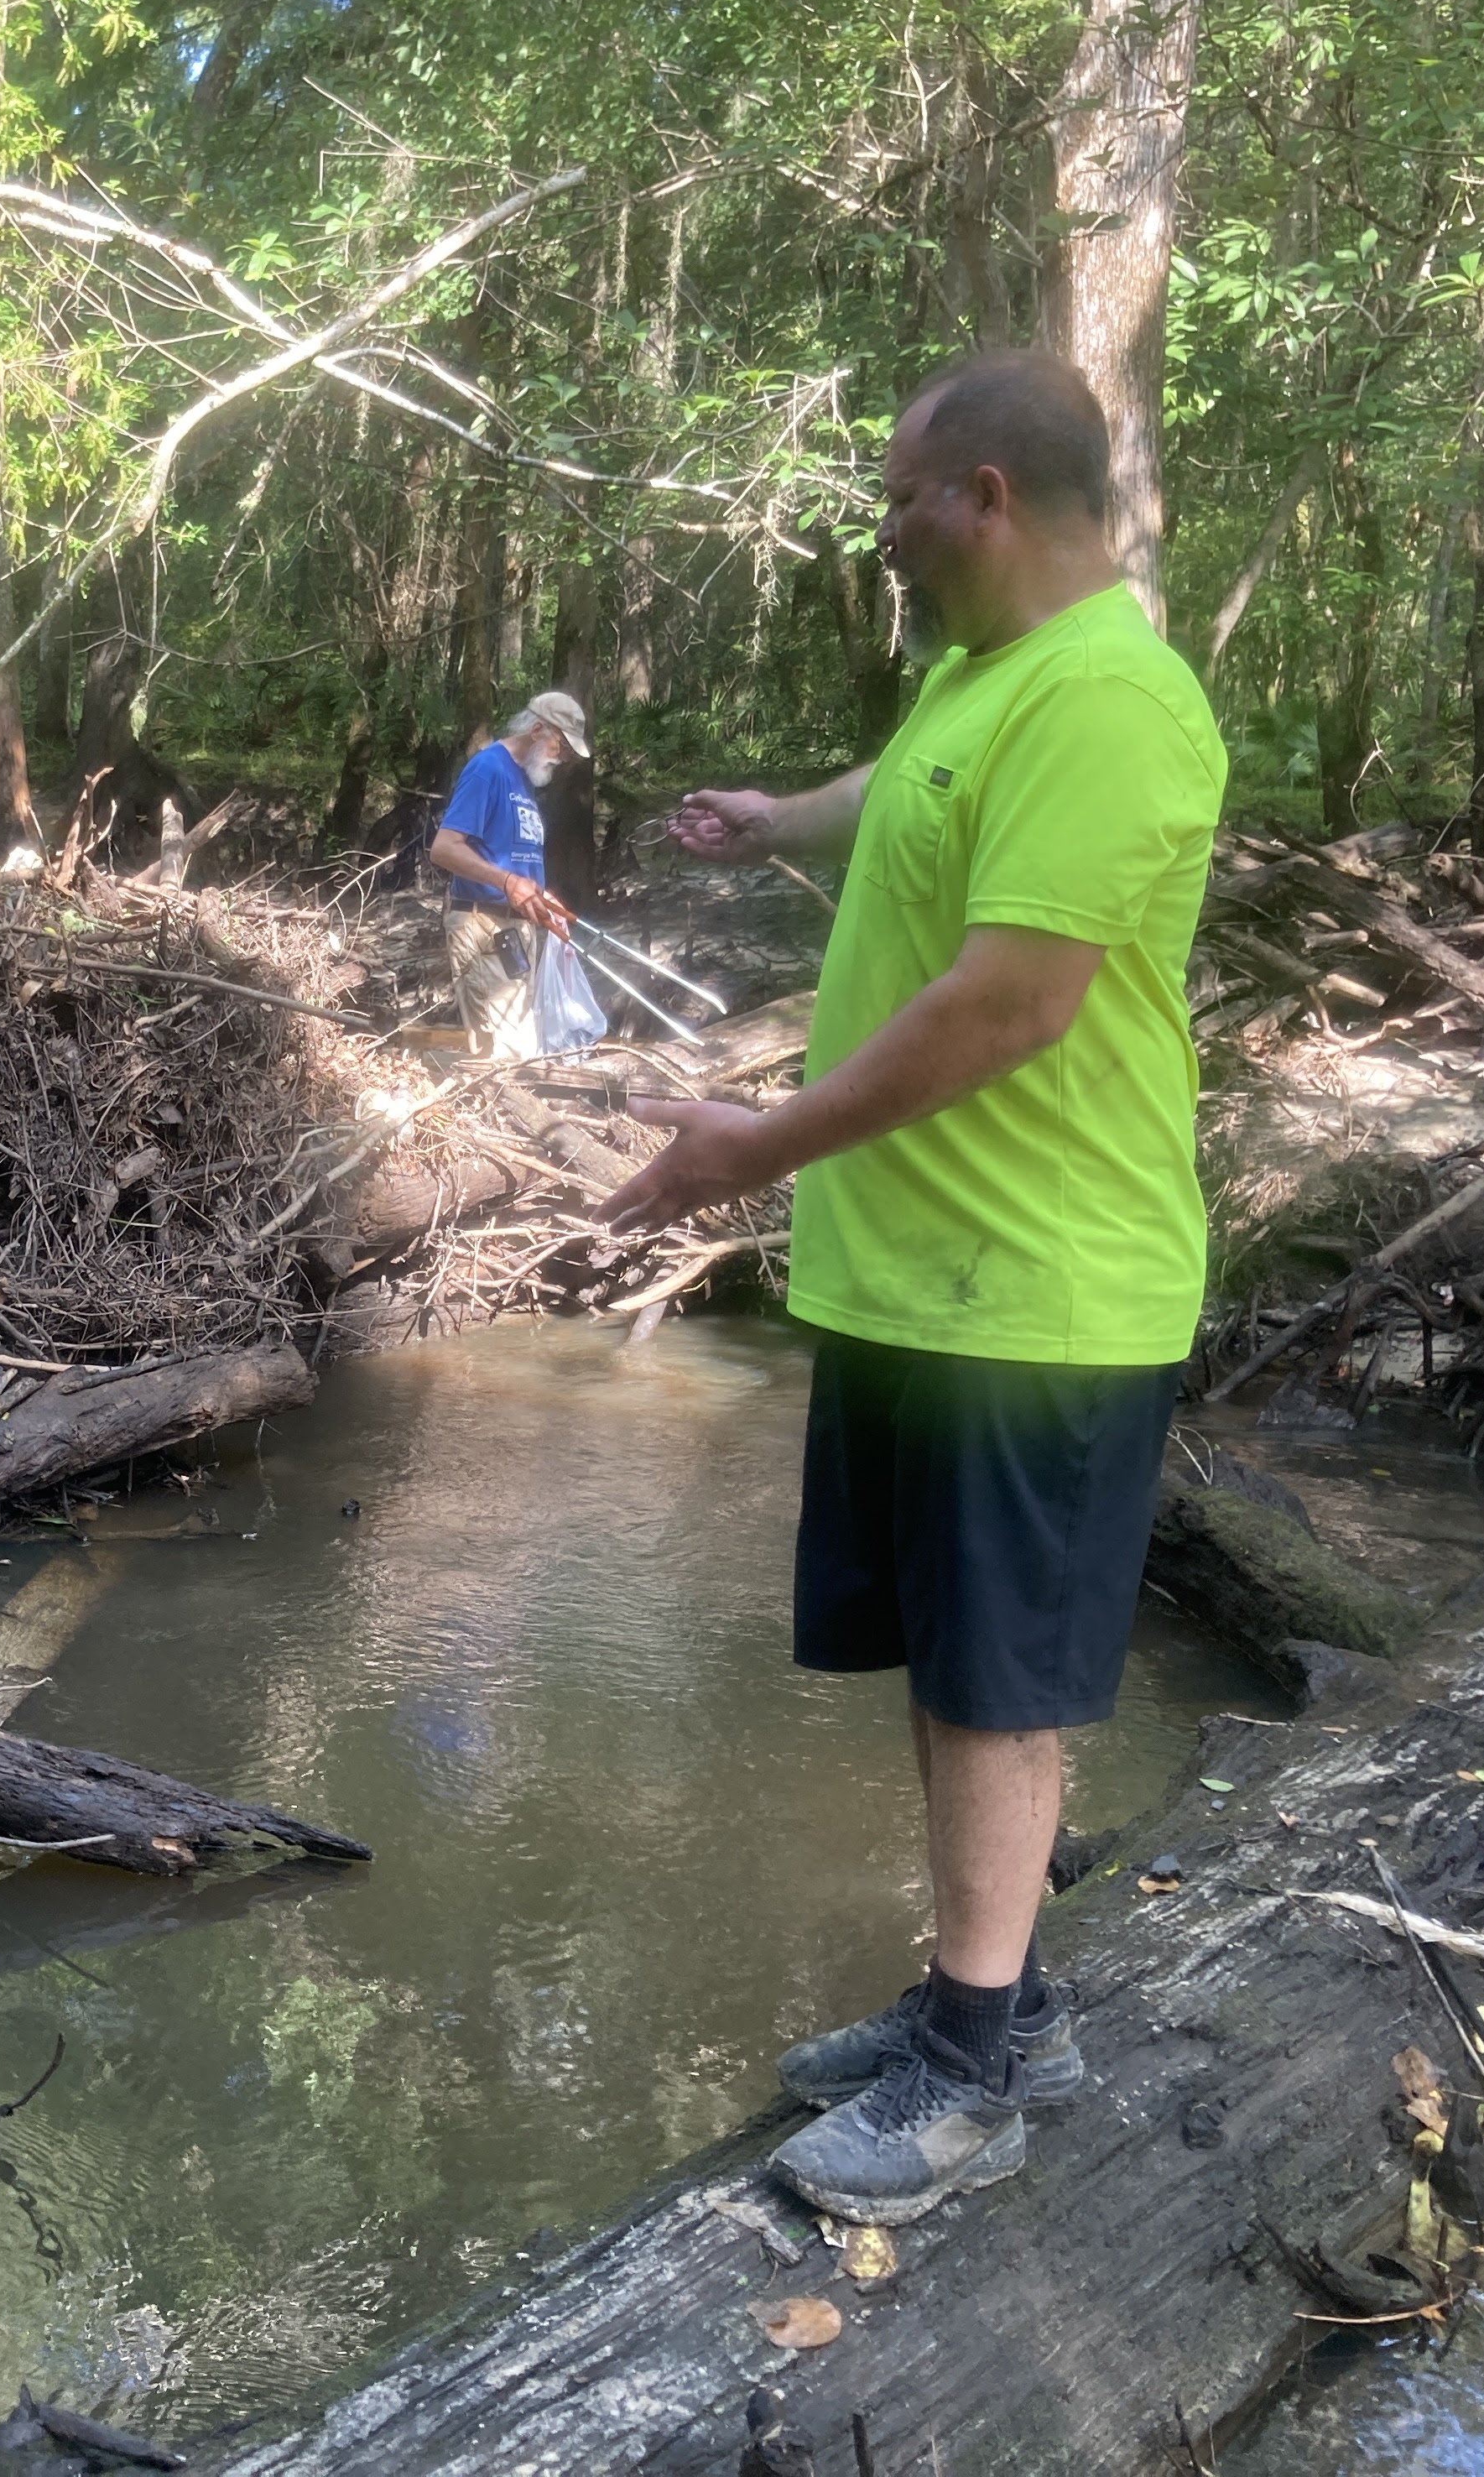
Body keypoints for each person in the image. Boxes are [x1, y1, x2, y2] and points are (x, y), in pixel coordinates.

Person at [601, 349, 1223, 2228]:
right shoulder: (993, 676)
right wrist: (778, 819)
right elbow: (912, 790)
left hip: (1037, 1295)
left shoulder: (1118, 698)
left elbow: (1015, 1003)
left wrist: (756, 1145)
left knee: (999, 1681)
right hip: (933, 1286)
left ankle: (974, 2079)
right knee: (959, 1673)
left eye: (895, 501)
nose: (882, 536)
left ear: (984, 498)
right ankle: (993, 1994)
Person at [427, 691, 588, 1056]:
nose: (563, 759)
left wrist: (539, 893)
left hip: (516, 930)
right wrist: (508, 882)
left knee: (519, 1050)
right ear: (537, 730)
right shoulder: (488, 770)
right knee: (509, 1056)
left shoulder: (523, 780)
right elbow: (444, 848)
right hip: (483, 926)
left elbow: (514, 857)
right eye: (561, 747)